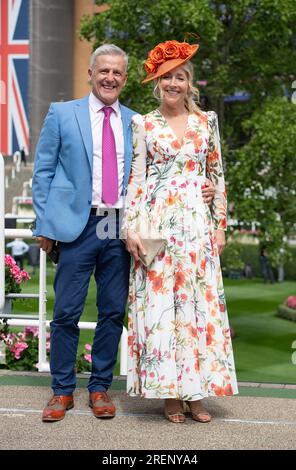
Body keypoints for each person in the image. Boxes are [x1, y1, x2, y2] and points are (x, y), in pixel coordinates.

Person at [31, 43, 217, 423]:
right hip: (76, 226)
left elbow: (157, 174)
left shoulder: (138, 122)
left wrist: (206, 187)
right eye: (104, 71)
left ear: (126, 78)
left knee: (113, 312)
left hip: (121, 226)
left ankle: (100, 387)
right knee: (66, 312)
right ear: (91, 73)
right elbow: (43, 172)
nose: (110, 78)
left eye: (117, 73)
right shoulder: (63, 114)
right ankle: (62, 391)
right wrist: (44, 224)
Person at [123, 40, 238, 424]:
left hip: (196, 228)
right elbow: (137, 180)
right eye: (167, 77)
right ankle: (170, 394)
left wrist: (219, 227)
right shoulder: (143, 123)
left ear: (190, 83)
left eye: (181, 77)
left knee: (196, 310)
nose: (174, 83)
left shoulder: (208, 122)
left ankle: (196, 393)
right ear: (157, 82)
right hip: (157, 226)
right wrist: (130, 229)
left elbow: (217, 178)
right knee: (162, 311)